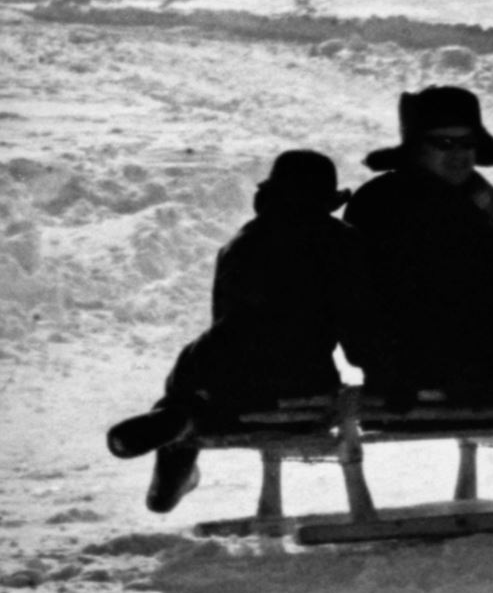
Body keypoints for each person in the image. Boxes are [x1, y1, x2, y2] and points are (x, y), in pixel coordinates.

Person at [105, 149, 362, 513]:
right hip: (300, 375)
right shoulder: (344, 244)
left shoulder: (241, 244)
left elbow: (223, 315)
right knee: (276, 393)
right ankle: (179, 427)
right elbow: (357, 328)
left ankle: (176, 445)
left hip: (215, 364)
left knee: (199, 399)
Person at [345, 85, 493, 409]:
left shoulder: (486, 201)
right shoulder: (382, 203)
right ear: (417, 148)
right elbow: (369, 305)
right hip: (413, 367)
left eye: (467, 143)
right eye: (444, 143)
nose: (458, 154)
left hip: (480, 357)